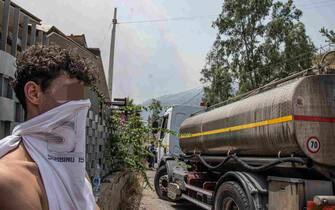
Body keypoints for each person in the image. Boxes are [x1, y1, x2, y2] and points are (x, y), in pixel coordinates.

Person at [0, 45, 100, 210]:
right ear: (34, 93)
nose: (81, 106)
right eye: (70, 93)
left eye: (79, 96)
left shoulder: (75, 171)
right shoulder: (10, 181)